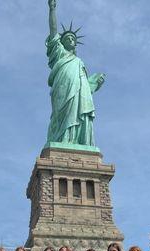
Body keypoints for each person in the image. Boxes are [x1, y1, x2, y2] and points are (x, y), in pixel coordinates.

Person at [46, 0, 105, 147]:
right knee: (62, 115)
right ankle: (63, 139)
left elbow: (85, 86)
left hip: (79, 93)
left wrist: (94, 83)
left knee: (80, 111)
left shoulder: (79, 62)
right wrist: (52, 9)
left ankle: (78, 141)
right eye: (68, 38)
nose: (71, 39)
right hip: (63, 90)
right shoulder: (59, 52)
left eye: (73, 38)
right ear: (62, 42)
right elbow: (53, 31)